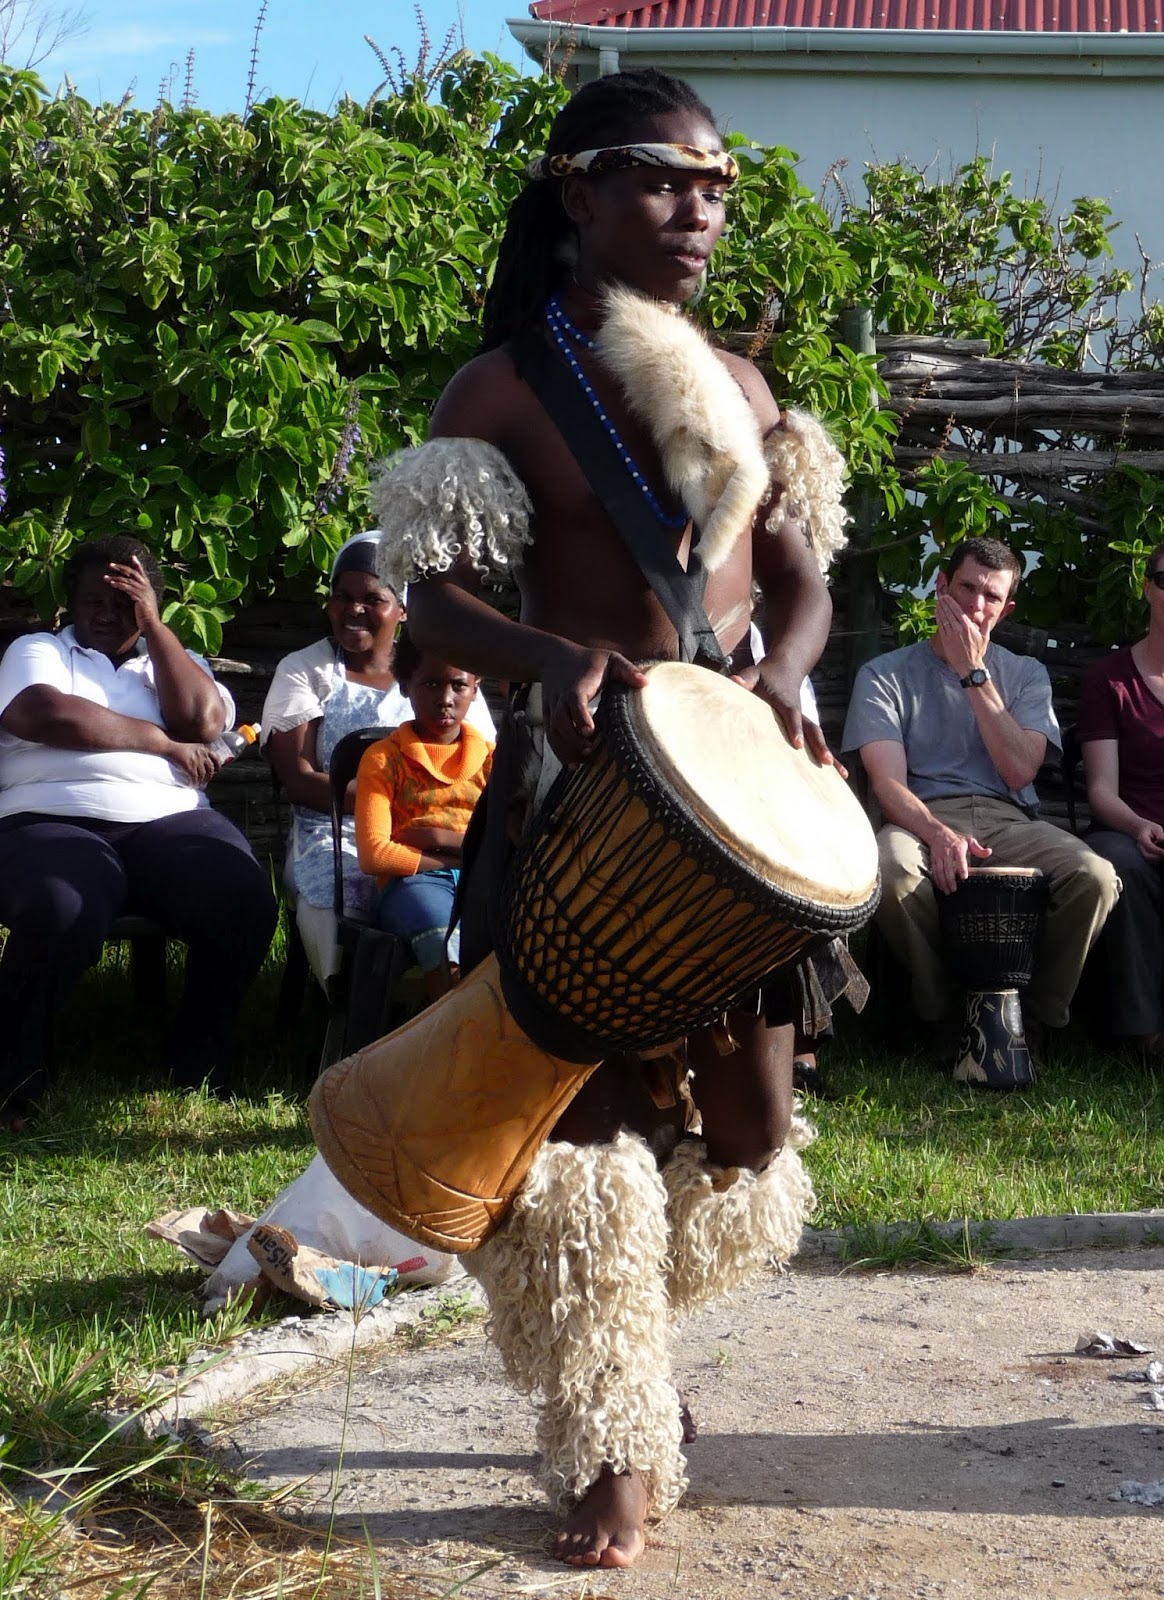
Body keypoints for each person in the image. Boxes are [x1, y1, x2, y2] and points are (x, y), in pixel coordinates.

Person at [374, 69, 852, 1568]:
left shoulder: (749, 389)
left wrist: (779, 672)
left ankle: (619, 1345)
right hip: (576, 791)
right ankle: (613, 1446)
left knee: (756, 1140)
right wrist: (547, 658)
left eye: (714, 185)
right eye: (659, 179)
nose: (696, 209)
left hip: (732, 802)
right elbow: (432, 599)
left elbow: (799, 581)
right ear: (575, 192)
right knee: (585, 1138)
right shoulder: (505, 388)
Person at [0, 535, 278, 1124]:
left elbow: (203, 722)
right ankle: (16, 1073)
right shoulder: (41, 650)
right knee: (62, 903)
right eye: (92, 600)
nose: (106, 612)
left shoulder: (174, 662)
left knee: (241, 896)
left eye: (124, 601)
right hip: (48, 816)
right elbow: (42, 713)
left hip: (168, 819)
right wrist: (160, 742)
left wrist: (156, 628)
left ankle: (198, 1063)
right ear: (69, 604)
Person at [842, 535, 1120, 1053]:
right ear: (940, 587)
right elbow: (887, 785)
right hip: (921, 816)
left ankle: (1034, 1016)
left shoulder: (1026, 675)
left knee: (1095, 877)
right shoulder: (884, 675)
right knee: (892, 865)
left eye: (991, 597)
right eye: (966, 588)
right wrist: (938, 833)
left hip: (1008, 817)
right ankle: (944, 1011)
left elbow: (1019, 772)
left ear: (1007, 608)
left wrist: (975, 674)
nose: (976, 605)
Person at [261, 531, 494, 991]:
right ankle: (349, 994)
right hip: (330, 830)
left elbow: (483, 762)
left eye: (373, 598)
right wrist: (385, 813)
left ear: (403, 609)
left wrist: (442, 834)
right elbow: (300, 778)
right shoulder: (305, 669)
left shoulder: (439, 673)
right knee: (338, 885)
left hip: (443, 830)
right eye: (342, 597)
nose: (354, 610)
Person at [1078, 534, 1164, 1072]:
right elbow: (1101, 791)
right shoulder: (1109, 679)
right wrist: (1138, 824)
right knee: (1122, 866)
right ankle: (1145, 1037)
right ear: (1148, 587)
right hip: (1129, 828)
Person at [355, 636, 493, 983]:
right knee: (447, 951)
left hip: (484, 881)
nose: (445, 699)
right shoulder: (385, 759)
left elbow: (506, 836)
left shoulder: (493, 760)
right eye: (431, 684)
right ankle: (452, 1035)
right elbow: (375, 856)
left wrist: (435, 836)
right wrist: (462, 856)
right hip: (413, 885)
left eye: (458, 685)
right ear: (405, 686)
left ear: (475, 688)